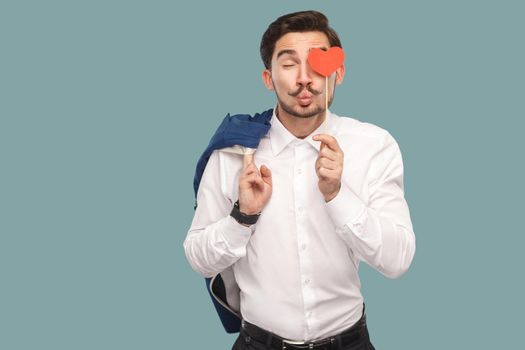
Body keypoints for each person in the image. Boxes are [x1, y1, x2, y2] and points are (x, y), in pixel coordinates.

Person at [184, 10, 416, 350]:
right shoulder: (233, 153)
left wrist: (338, 195)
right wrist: (242, 216)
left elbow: (397, 261)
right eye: (289, 64)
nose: (305, 78)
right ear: (268, 77)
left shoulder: (374, 145)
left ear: (338, 72)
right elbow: (197, 258)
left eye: (318, 63)